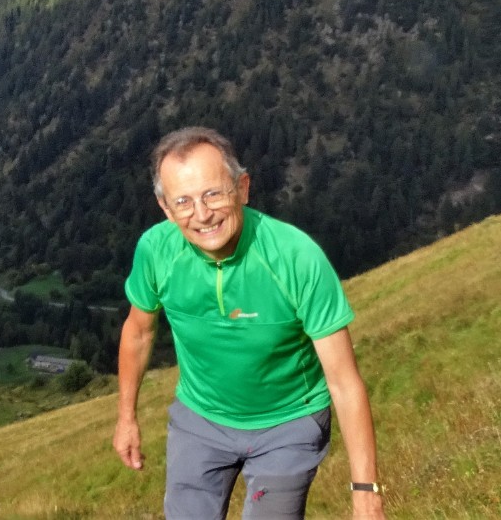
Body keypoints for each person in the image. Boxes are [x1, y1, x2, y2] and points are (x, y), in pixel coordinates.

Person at [112, 126, 385, 520]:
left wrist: (365, 492)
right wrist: (126, 419)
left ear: (243, 188)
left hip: (289, 423)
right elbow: (138, 332)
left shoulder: (295, 258)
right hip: (200, 418)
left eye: (213, 194)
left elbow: (344, 381)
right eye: (183, 202)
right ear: (165, 208)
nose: (201, 215)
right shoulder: (156, 251)